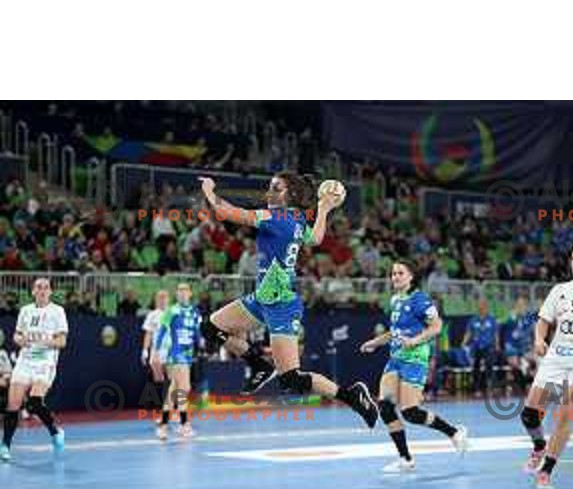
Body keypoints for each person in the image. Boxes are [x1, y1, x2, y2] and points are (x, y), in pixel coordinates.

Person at [198, 173, 377, 428]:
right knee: (210, 327)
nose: (269, 192)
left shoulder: (275, 217)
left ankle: (352, 395)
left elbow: (225, 212)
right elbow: (315, 239)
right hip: (261, 299)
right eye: (269, 187)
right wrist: (324, 208)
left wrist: (209, 190)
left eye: (275, 188)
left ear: (289, 195)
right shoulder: (295, 219)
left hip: (281, 305)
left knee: (291, 379)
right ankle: (258, 363)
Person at [360, 260, 468, 473]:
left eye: (400, 273)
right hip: (396, 358)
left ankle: (454, 432)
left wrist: (416, 340)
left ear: (410, 277)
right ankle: (405, 458)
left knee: (410, 412)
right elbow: (395, 332)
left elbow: (436, 327)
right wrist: (374, 342)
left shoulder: (420, 300)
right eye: (393, 273)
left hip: (415, 360)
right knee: (385, 406)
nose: (395, 277)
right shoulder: (395, 300)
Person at [520, 243, 573, 489]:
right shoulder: (560, 290)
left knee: (565, 415)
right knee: (530, 414)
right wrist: (539, 339)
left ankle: (546, 471)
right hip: (556, 359)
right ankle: (538, 446)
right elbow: (543, 321)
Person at [0, 278, 68, 462]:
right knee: (12, 404)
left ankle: (54, 431)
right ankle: (5, 446)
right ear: (33, 291)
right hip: (25, 361)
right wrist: (19, 340)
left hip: (45, 362)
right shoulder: (25, 311)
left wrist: (45, 342)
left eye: (46, 287)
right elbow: (17, 335)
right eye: (39, 287)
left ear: (51, 292)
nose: (42, 290)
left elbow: (62, 342)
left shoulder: (57, 311)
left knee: (34, 403)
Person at [152, 283, 202, 440]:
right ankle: (184, 424)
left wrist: (202, 344)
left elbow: (197, 333)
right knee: (184, 388)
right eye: (179, 290)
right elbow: (161, 331)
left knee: (174, 390)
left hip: (188, 355)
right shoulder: (172, 310)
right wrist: (156, 351)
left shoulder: (194, 312)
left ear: (190, 293)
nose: (181, 293)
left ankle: (163, 425)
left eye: (185, 290)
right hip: (176, 354)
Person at [463, 298, 498, 397]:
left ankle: (490, 386)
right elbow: (468, 333)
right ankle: (477, 388)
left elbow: (495, 334)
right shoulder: (473, 320)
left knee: (489, 365)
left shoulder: (491, 319)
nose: (481, 307)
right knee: (476, 367)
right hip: (476, 347)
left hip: (488, 346)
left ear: (486, 307)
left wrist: (497, 345)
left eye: (483, 305)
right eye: (480, 305)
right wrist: (464, 343)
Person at [141, 290, 170, 412]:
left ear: (168, 300)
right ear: (156, 300)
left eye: (164, 298)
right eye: (160, 298)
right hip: (157, 351)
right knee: (158, 378)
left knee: (174, 377)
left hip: (170, 350)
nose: (162, 300)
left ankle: (173, 406)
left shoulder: (173, 314)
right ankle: (160, 406)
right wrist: (145, 350)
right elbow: (148, 333)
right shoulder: (152, 315)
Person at [502, 296, 536, 393]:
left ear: (526, 306)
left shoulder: (529, 318)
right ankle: (522, 385)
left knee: (537, 361)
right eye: (519, 305)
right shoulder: (511, 318)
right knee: (517, 363)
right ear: (516, 306)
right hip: (513, 349)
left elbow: (535, 334)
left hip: (527, 348)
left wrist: (534, 347)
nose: (521, 307)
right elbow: (507, 339)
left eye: (523, 305)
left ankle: (533, 385)